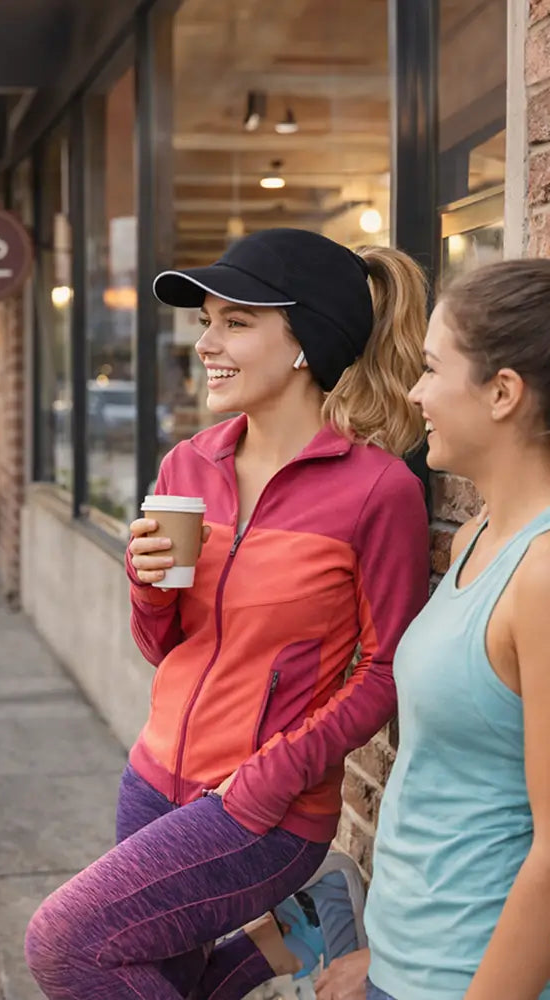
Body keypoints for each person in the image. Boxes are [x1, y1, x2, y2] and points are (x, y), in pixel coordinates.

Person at [25, 228, 431, 1000]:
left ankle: (288, 921)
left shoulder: (377, 492)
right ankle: (287, 939)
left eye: (235, 322)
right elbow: (164, 645)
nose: (206, 342)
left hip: (266, 809)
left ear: (305, 341)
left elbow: (386, 672)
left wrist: (272, 775)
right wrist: (148, 587)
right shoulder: (190, 463)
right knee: (160, 977)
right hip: (151, 779)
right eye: (208, 320)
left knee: (66, 943)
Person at [317, 259, 550, 1000]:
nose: (414, 393)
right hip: (411, 960)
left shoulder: (542, 574)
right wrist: (385, 957)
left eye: (430, 369)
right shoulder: (477, 534)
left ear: (503, 393)